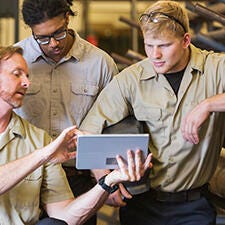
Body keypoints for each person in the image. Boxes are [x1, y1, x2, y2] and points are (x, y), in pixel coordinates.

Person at [79, 1, 225, 224]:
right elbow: (87, 135)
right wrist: (104, 183)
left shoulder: (215, 68)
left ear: (186, 40)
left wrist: (209, 104)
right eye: (148, 45)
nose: (154, 55)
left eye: (164, 46)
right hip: (141, 205)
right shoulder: (131, 80)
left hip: (194, 206)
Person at [0, 45, 152, 225]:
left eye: (27, 75)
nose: (27, 83)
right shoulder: (44, 150)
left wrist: (108, 181)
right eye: (17, 74)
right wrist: (43, 155)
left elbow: (65, 216)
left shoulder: (38, 140)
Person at [14, 0, 118, 224]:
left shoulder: (100, 64)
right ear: (31, 29)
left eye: (58, 33)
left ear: (67, 19)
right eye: (42, 37)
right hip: (25, 182)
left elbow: (112, 127)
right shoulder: (16, 63)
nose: (52, 43)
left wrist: (106, 179)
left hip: (77, 182)